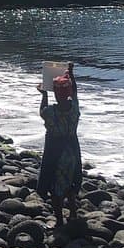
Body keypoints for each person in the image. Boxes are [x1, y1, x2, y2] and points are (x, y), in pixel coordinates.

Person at [36, 63, 83, 227]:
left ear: (55, 94)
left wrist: (43, 94)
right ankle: (73, 212)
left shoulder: (51, 112)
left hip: (55, 154)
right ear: (69, 92)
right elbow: (75, 93)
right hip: (72, 152)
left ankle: (60, 220)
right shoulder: (74, 110)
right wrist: (72, 74)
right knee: (71, 182)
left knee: (55, 188)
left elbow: (42, 111)